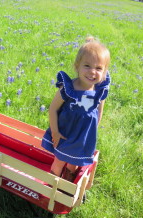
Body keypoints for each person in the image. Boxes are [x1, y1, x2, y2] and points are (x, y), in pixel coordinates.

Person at [41, 37, 111, 182]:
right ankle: (51, 188)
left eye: (98, 68)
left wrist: (93, 131)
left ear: (104, 72)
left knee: (74, 164)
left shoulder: (100, 91)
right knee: (59, 161)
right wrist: (55, 132)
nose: (92, 72)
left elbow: (99, 111)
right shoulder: (69, 88)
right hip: (65, 133)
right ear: (77, 66)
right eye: (87, 66)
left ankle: (66, 186)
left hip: (83, 137)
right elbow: (53, 109)